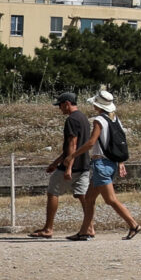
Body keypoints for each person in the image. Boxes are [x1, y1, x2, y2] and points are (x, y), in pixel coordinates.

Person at [72, 87, 141, 242]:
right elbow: (119, 143)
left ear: (98, 105)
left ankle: (133, 224)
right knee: (89, 199)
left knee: (110, 199)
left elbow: (91, 142)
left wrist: (73, 155)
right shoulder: (115, 119)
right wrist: (120, 162)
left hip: (101, 163)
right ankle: (84, 231)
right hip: (110, 163)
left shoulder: (99, 120)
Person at [29, 90, 97, 238]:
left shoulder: (71, 120)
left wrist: (68, 168)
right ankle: (89, 227)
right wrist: (55, 162)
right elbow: (78, 145)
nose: (59, 108)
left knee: (53, 191)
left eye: (60, 105)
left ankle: (48, 228)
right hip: (84, 163)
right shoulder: (84, 118)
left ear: (67, 104)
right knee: (82, 195)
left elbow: (72, 145)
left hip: (72, 164)